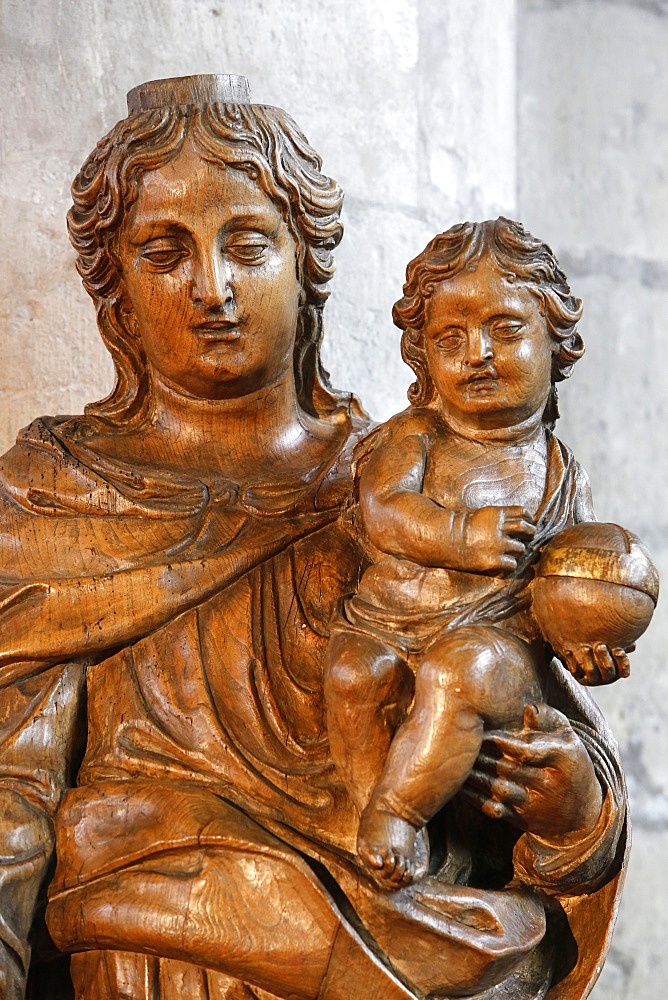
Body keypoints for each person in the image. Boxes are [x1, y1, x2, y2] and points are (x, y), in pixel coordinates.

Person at [0, 78, 626, 1000]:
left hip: (415, 924)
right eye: (163, 250)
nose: (211, 287)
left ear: (308, 266)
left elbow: (527, 701)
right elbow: (11, 791)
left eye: (248, 244)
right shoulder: (61, 500)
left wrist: (572, 806)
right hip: (161, 956)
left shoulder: (408, 483)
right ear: (115, 292)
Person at [324, 219, 632, 890]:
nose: (478, 354)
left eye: (506, 330)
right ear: (422, 357)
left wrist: (584, 636)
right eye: (450, 338)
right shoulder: (415, 437)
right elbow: (384, 510)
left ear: (559, 345)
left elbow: (569, 579)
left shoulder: (559, 473)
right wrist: (461, 535)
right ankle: (365, 825)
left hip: (495, 651)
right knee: (353, 674)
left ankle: (397, 815)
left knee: (461, 669)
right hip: (383, 626)